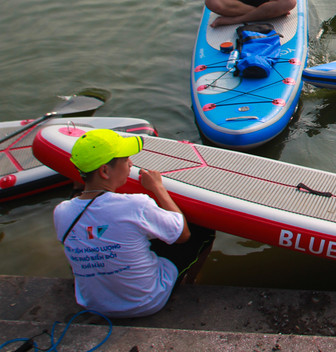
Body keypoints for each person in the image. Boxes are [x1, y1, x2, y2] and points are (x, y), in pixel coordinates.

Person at [53, 129, 215, 318]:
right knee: (203, 231)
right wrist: (158, 187)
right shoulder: (136, 204)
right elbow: (182, 235)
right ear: (104, 171)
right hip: (145, 302)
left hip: (91, 303)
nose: (131, 163)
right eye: (125, 160)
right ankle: (190, 282)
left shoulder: (61, 212)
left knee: (96, 240)